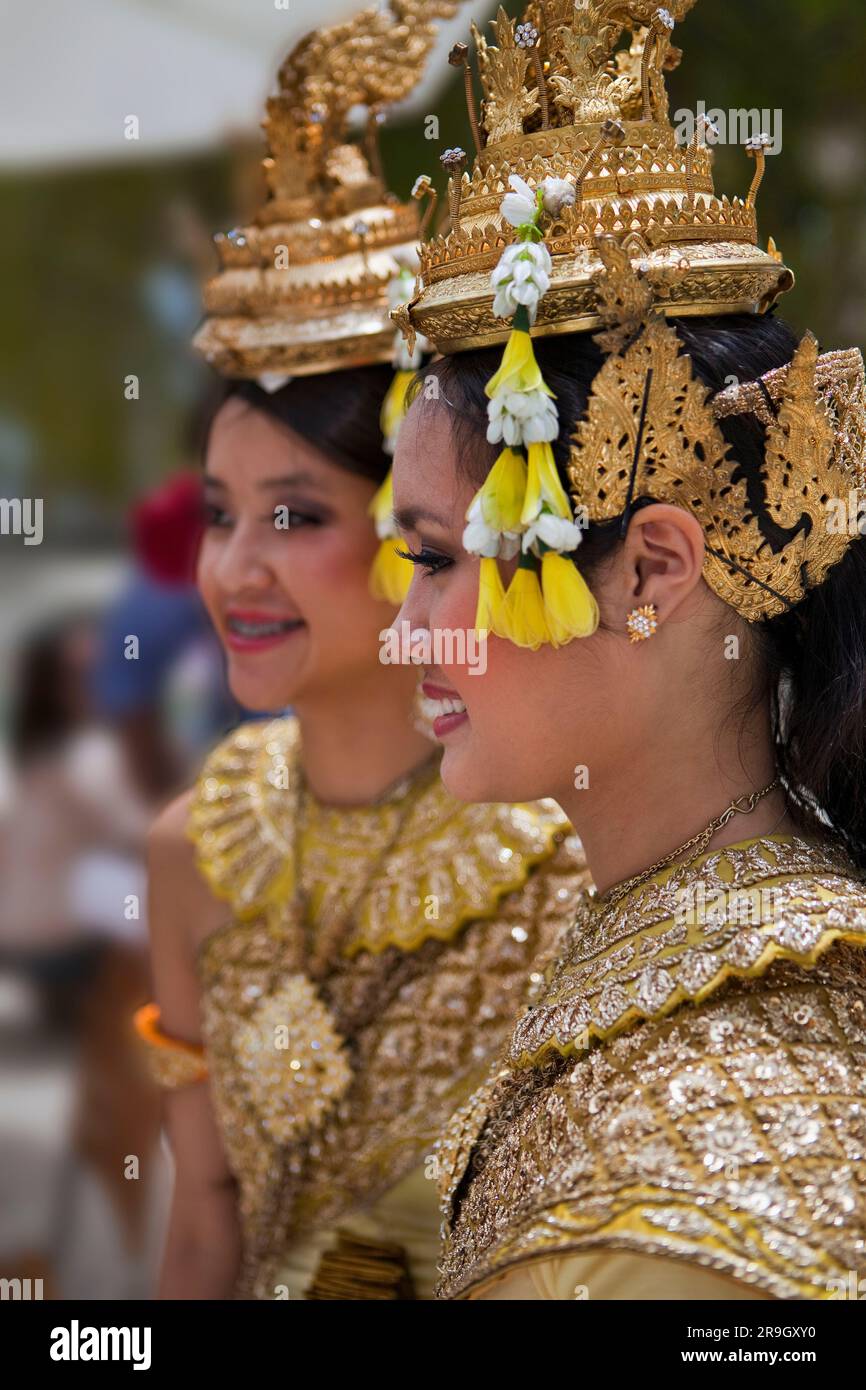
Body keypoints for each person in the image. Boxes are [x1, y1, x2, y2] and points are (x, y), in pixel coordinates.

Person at [391, 0, 866, 1300]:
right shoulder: (641, 908)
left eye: (436, 559)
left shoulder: (725, 1130)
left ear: (651, 568)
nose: (403, 629)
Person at [135, 2, 588, 1302]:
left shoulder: (568, 842)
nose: (234, 571)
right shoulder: (189, 851)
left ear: (412, 528)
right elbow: (207, 1233)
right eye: (221, 517)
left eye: (294, 516)